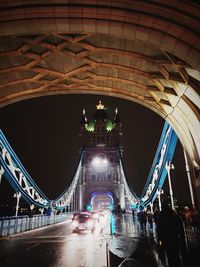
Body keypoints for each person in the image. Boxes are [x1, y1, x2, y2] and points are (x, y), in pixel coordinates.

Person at [156, 201, 188, 267]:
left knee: (169, 256)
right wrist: (182, 238)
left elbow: (159, 229)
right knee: (176, 255)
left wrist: (160, 240)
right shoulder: (174, 215)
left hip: (166, 239)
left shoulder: (161, 216)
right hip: (175, 238)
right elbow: (180, 226)